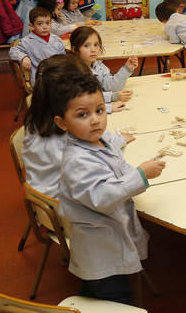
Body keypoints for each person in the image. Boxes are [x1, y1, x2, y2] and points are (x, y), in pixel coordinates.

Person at [55, 71, 166, 304]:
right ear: (62, 123)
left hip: (108, 241)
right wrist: (140, 175)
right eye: (83, 114)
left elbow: (111, 146)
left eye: (99, 110)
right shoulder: (77, 161)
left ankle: (88, 296)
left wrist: (122, 139)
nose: (95, 120)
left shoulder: (96, 138)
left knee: (95, 288)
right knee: (116, 296)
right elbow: (103, 195)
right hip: (101, 250)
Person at [22, 54, 92, 198]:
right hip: (63, 207)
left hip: (52, 190)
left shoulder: (40, 117)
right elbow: (92, 179)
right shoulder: (60, 143)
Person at [70, 26, 137, 113]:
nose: (93, 49)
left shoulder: (99, 66)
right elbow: (84, 99)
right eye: (86, 46)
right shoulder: (73, 72)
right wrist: (110, 103)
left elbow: (111, 86)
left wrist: (127, 68)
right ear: (74, 50)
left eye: (96, 45)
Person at [9, 7, 66, 84]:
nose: (45, 27)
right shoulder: (27, 41)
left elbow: (64, 58)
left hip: (58, 74)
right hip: (40, 79)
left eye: (47, 23)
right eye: (40, 24)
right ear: (32, 26)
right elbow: (13, 51)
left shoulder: (56, 39)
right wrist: (23, 57)